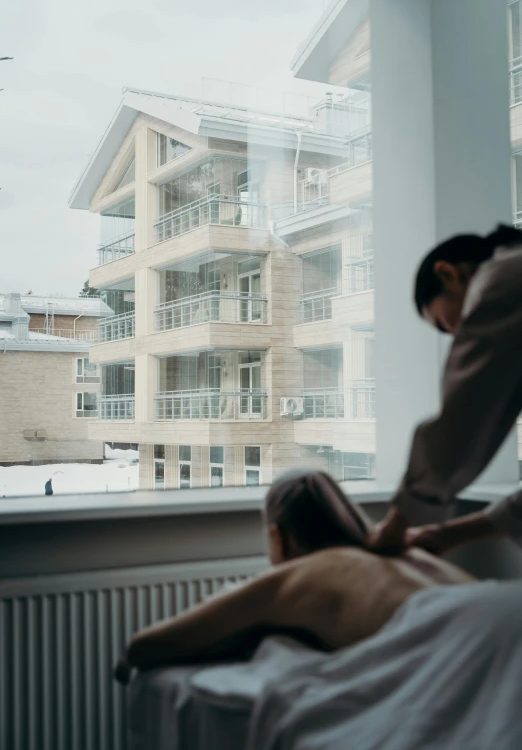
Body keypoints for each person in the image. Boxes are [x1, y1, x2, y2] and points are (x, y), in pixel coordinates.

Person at [114, 470, 472, 684]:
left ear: (278, 537)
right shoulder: (410, 553)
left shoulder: (301, 575)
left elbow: (143, 647)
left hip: (464, 652)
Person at [369, 224, 522, 555]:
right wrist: (446, 536)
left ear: (448, 273)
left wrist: (397, 524)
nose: (456, 336)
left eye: (444, 324)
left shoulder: (502, 280)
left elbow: (461, 423)